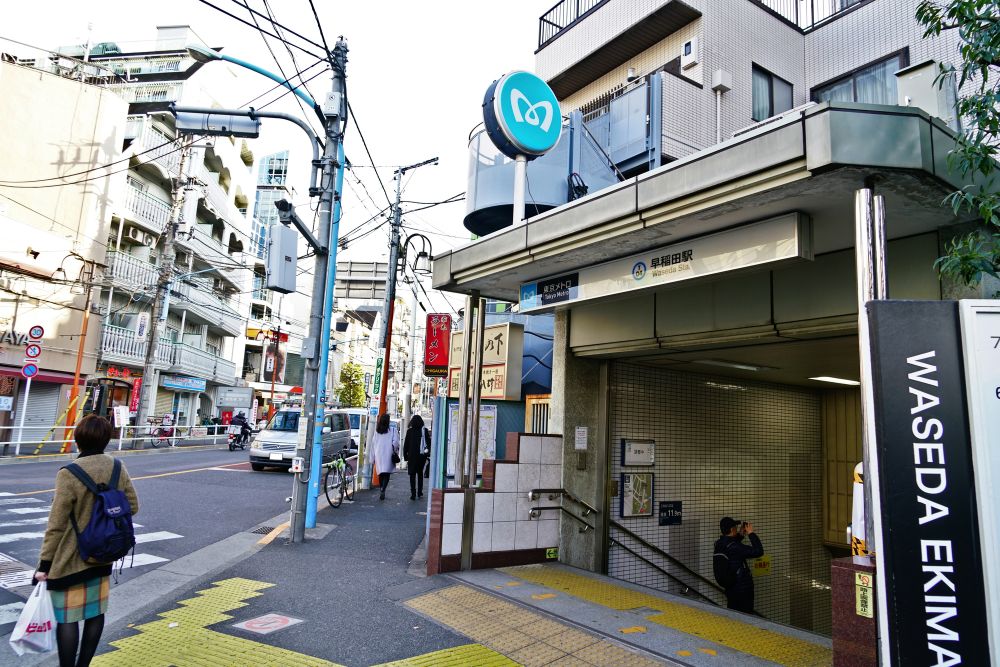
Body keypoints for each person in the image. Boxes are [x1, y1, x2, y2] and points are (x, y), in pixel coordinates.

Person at [34, 414, 139, 667]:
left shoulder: (69, 473)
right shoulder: (117, 466)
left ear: (77, 438)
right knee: (95, 613)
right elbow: (132, 506)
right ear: (106, 439)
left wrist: (44, 565)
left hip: (71, 557)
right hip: (103, 552)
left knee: (68, 618)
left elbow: (56, 525)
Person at [714, 517, 764, 614]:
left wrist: (740, 535)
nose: (737, 528)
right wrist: (751, 533)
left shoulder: (719, 543)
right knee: (746, 616)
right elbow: (759, 551)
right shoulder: (734, 546)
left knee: (734, 614)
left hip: (731, 588)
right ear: (732, 529)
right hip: (742, 589)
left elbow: (732, 544)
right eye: (735, 527)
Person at [369, 413, 399, 501]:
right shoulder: (392, 430)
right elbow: (396, 442)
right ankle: (383, 489)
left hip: (378, 454)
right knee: (387, 473)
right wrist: (394, 449)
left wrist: (372, 457)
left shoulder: (377, 431)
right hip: (388, 453)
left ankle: (381, 487)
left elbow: (373, 445)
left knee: (381, 472)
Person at [402, 415, 428, 500]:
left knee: (412, 475)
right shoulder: (424, 431)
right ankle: (420, 492)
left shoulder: (410, 431)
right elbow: (428, 443)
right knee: (420, 473)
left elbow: (406, 445)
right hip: (422, 456)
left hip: (412, 456)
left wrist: (405, 456)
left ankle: (413, 493)